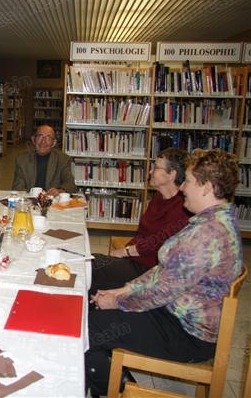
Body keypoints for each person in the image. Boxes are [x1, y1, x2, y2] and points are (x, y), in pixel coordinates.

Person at [86, 149, 243, 396]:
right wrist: (124, 290)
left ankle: (119, 389)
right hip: (174, 313)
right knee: (93, 312)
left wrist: (117, 301)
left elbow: (161, 291)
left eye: (188, 182)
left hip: (185, 333)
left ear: (207, 187)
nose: (182, 189)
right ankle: (111, 380)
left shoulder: (206, 235)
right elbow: (162, 273)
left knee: (87, 327)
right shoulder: (214, 220)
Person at [90, 148, 192, 294]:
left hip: (150, 270)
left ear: (172, 174)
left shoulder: (183, 207)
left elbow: (158, 241)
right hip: (135, 258)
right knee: (91, 263)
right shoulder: (158, 197)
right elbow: (143, 233)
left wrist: (125, 252)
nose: (150, 172)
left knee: (91, 271)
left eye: (156, 168)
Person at [11, 124, 77, 195]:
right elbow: (17, 186)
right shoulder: (22, 160)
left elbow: (70, 184)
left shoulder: (63, 159)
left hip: (53, 201)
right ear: (33, 140)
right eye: (40, 137)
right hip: (29, 201)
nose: (43, 142)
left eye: (48, 138)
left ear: (53, 143)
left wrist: (60, 190)